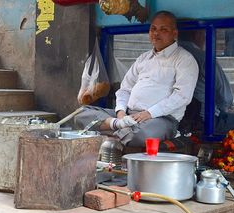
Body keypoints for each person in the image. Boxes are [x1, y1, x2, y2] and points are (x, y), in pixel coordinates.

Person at [74, 11, 199, 147]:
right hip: (128, 116)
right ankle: (117, 127)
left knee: (139, 135)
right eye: (153, 29)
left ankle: (111, 132)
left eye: (163, 29)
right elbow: (125, 89)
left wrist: (149, 113)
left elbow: (182, 96)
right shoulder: (143, 58)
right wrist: (121, 113)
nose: (156, 33)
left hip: (161, 119)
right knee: (81, 114)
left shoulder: (184, 59)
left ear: (174, 33)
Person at [178, 33, 234, 134]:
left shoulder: (169, 56)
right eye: (204, 34)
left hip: (175, 118)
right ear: (197, 36)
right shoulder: (204, 58)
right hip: (203, 120)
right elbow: (226, 98)